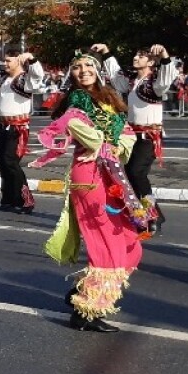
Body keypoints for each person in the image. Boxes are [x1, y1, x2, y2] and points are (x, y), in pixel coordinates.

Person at [34, 53, 148, 332]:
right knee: (106, 240)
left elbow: (128, 136)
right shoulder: (77, 100)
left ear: (98, 71)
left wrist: (114, 147)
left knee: (129, 240)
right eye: (76, 67)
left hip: (112, 174)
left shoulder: (109, 99)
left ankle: (81, 294)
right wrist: (102, 145)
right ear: (71, 74)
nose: (83, 70)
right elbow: (76, 127)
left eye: (88, 66)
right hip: (90, 174)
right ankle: (86, 313)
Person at [93, 41, 177, 232]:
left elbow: (166, 77)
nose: (135, 58)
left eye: (141, 56)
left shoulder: (155, 83)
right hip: (132, 135)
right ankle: (145, 213)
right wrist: (106, 52)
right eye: (136, 55)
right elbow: (115, 77)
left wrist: (164, 55)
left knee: (137, 172)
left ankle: (153, 213)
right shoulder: (132, 81)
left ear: (151, 62)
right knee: (130, 174)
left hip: (148, 136)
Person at [0, 50, 44, 213]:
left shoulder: (24, 80)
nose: (5, 64)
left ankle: (26, 200)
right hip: (2, 126)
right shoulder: (5, 78)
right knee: (2, 162)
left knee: (10, 162)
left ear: (19, 62)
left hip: (17, 128)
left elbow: (37, 77)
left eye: (8, 61)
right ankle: (9, 199)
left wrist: (32, 60)